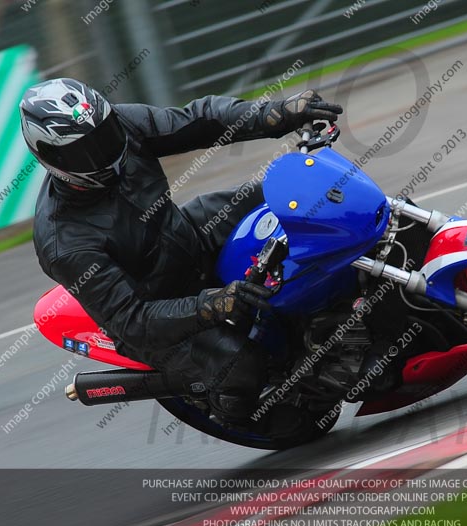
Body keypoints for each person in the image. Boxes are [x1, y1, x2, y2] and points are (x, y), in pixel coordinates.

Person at [20, 77, 342, 425]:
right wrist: (209, 307)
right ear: (52, 158)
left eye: (106, 133)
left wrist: (273, 114)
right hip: (160, 312)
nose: (106, 149)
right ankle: (236, 412)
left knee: (284, 193)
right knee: (241, 365)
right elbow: (133, 321)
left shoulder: (120, 126)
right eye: (86, 149)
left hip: (186, 236)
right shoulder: (63, 241)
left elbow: (200, 119)